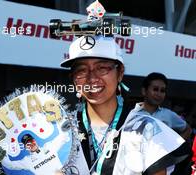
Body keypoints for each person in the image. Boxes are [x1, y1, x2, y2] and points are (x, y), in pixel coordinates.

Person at [60, 35, 189, 175]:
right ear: (73, 78)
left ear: (120, 73)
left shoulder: (147, 129)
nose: (92, 78)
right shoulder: (61, 130)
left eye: (102, 68)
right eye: (81, 70)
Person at [133, 72, 192, 140]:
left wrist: (175, 146)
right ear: (144, 91)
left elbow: (188, 129)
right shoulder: (132, 114)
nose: (159, 94)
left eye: (162, 91)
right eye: (155, 89)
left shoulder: (168, 115)